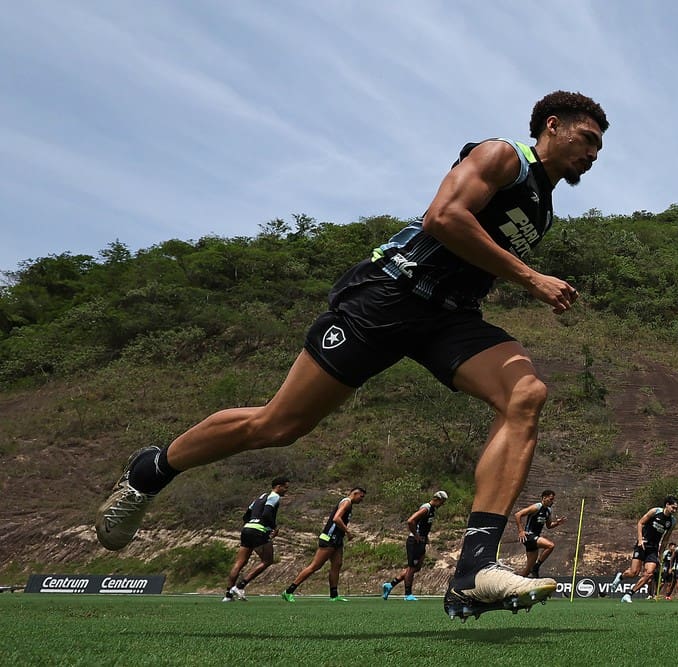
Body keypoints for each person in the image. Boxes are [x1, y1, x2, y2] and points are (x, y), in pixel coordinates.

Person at [93, 91, 609, 621]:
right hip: (390, 295)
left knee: (525, 394)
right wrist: (529, 278)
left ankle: (473, 569)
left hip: (450, 318)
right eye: (588, 140)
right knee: (279, 425)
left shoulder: (543, 210)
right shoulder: (503, 156)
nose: (594, 155)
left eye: (600, 148)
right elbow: (443, 218)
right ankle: (151, 470)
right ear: (553, 125)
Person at [281, 487, 365, 602]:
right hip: (329, 538)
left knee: (337, 565)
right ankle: (288, 591)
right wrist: (348, 532)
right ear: (355, 494)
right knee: (315, 566)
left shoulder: (349, 504)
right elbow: (336, 519)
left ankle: (334, 595)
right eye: (361, 496)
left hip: (337, 540)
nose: (362, 499)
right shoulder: (346, 502)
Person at [222, 477, 289, 601]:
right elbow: (267, 514)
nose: (286, 490)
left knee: (239, 563)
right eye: (285, 487)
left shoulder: (261, 496)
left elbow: (246, 515)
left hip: (247, 529)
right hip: (258, 531)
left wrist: (252, 524)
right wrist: (273, 528)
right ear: (278, 487)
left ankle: (228, 595)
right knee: (267, 560)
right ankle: (240, 586)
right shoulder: (274, 497)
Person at [382, 490, 449, 601]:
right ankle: (407, 594)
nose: (443, 504)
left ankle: (390, 585)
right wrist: (416, 535)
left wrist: (425, 537)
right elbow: (411, 521)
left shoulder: (432, 510)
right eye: (442, 501)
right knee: (412, 568)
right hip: (414, 541)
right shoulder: (426, 508)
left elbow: (423, 525)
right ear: (437, 499)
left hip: (421, 541)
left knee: (416, 567)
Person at [610, 497, 678, 603]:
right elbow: (640, 523)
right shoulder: (655, 511)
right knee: (634, 572)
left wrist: (660, 553)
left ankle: (629, 594)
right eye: (673, 508)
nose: (674, 510)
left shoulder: (672, 521)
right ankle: (620, 577)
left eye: (676, 509)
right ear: (667, 505)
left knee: (649, 573)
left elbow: (666, 538)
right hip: (642, 544)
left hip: (653, 549)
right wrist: (640, 539)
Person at [513, 490, 567, 578]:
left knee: (527, 570)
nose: (552, 502)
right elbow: (518, 515)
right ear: (544, 498)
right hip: (528, 536)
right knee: (550, 545)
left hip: (535, 538)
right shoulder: (537, 507)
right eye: (550, 499)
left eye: (553, 500)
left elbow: (549, 525)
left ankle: (517, 584)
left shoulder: (548, 511)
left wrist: (557, 523)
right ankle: (536, 567)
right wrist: (521, 531)